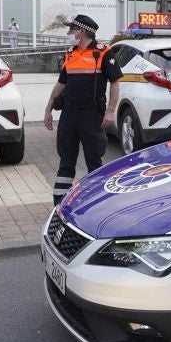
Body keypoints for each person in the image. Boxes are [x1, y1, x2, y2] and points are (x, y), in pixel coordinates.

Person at [44, 14, 121, 203]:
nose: (70, 33)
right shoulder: (70, 53)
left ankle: (98, 203)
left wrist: (110, 111)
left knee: (94, 162)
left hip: (91, 115)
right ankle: (59, 205)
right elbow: (61, 83)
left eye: (72, 29)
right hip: (69, 115)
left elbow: (115, 82)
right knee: (66, 161)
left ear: (82, 31)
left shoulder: (103, 52)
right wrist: (48, 108)